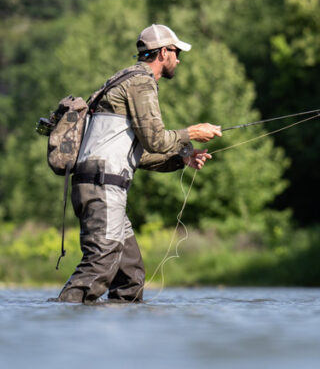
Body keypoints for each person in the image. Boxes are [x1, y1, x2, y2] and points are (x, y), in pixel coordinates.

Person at [54, 24, 222, 303]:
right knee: (99, 264)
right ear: (163, 53)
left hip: (102, 184)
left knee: (130, 276)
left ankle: (120, 340)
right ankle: (59, 323)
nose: (178, 59)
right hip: (103, 186)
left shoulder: (124, 80)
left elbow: (138, 153)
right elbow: (155, 139)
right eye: (176, 52)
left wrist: (181, 158)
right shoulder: (141, 82)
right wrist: (191, 133)